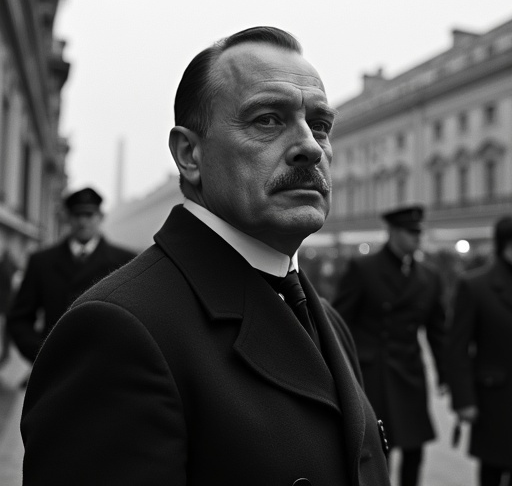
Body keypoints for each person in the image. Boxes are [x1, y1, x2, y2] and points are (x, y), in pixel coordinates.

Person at [20, 27, 391, 485]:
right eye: (268, 120)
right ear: (189, 154)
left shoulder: (327, 320)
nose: (311, 147)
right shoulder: (119, 331)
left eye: (320, 126)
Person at [332, 204, 446, 486]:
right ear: (393, 232)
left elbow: (438, 332)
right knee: (379, 450)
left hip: (409, 370)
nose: (417, 238)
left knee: (414, 448)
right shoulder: (364, 269)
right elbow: (338, 322)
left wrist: (448, 375)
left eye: (420, 232)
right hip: (374, 374)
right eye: (410, 232)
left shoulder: (429, 277)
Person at [7, 187, 136, 364]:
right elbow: (19, 319)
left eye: (89, 215)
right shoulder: (41, 262)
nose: (83, 222)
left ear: (100, 217)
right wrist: (42, 353)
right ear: (68, 218)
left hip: (105, 370)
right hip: (55, 370)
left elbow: (135, 322)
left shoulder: (125, 262)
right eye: (77, 215)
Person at [446, 216, 512, 486]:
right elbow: (457, 348)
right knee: (493, 472)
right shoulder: (475, 285)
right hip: (495, 400)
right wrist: (463, 400)